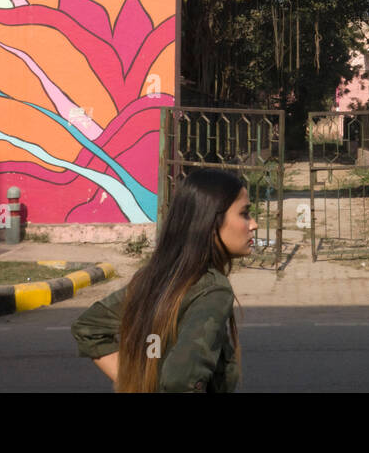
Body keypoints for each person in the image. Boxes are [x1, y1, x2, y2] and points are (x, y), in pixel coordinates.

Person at [72, 167, 256, 392]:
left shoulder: (157, 278)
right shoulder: (213, 290)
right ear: (211, 220)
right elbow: (181, 381)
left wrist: (139, 385)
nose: (253, 224)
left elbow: (90, 328)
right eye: (244, 213)